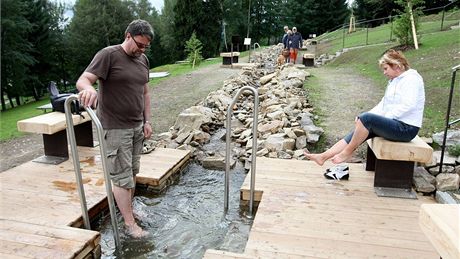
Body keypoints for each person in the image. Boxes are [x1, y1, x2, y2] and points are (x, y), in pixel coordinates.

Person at [76, 19, 153, 237]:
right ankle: (129, 224)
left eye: (145, 46)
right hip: (115, 128)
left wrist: (147, 121)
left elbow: (145, 93)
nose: (141, 49)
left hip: (137, 126)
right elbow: (83, 80)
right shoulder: (108, 55)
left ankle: (129, 211)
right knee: (121, 177)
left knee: (132, 172)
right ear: (128, 35)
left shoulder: (143, 59)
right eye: (139, 44)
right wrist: (88, 89)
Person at [305, 49, 425, 175]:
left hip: (406, 129)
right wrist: (363, 117)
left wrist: (381, 118)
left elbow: (409, 105)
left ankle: (348, 152)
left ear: (396, 66)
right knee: (362, 124)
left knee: (366, 120)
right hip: (395, 124)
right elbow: (383, 104)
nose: (384, 73)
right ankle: (323, 156)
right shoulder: (395, 81)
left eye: (385, 69)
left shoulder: (412, 79)